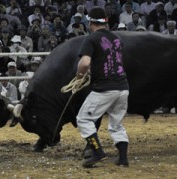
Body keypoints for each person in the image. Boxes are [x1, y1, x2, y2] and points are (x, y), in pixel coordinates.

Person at [75, 7, 129, 168]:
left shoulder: (91, 38)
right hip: (122, 86)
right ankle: (123, 158)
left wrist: (80, 75)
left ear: (90, 21)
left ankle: (97, 151)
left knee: (83, 119)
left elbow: (84, 63)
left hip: (105, 88)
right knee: (117, 123)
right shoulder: (116, 38)